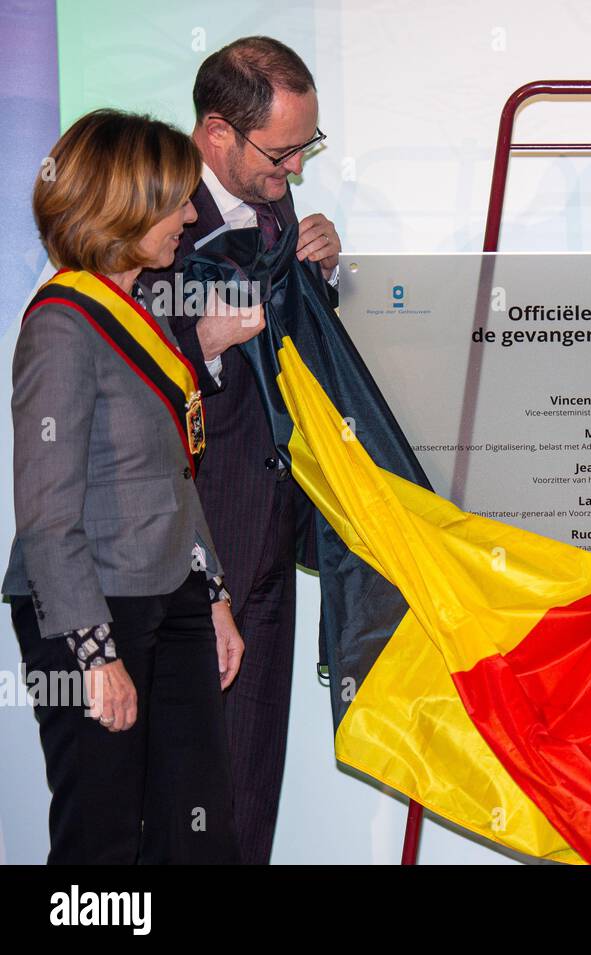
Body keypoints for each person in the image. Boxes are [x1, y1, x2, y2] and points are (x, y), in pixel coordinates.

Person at [3, 109, 255, 863]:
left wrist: (212, 598)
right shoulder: (61, 323)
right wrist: (94, 651)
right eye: (175, 199)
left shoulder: (138, 311)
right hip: (91, 607)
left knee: (196, 826)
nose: (187, 214)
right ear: (124, 202)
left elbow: (176, 475)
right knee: (103, 838)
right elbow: (46, 511)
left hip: (169, 596)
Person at [137, 35, 340, 865]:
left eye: (306, 148)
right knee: (165, 794)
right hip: (177, 553)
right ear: (216, 132)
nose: (293, 170)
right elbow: (124, 344)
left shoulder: (278, 209)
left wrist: (318, 282)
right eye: (283, 150)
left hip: (265, 540)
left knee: (249, 788)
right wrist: (205, 339)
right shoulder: (141, 200)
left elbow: (282, 361)